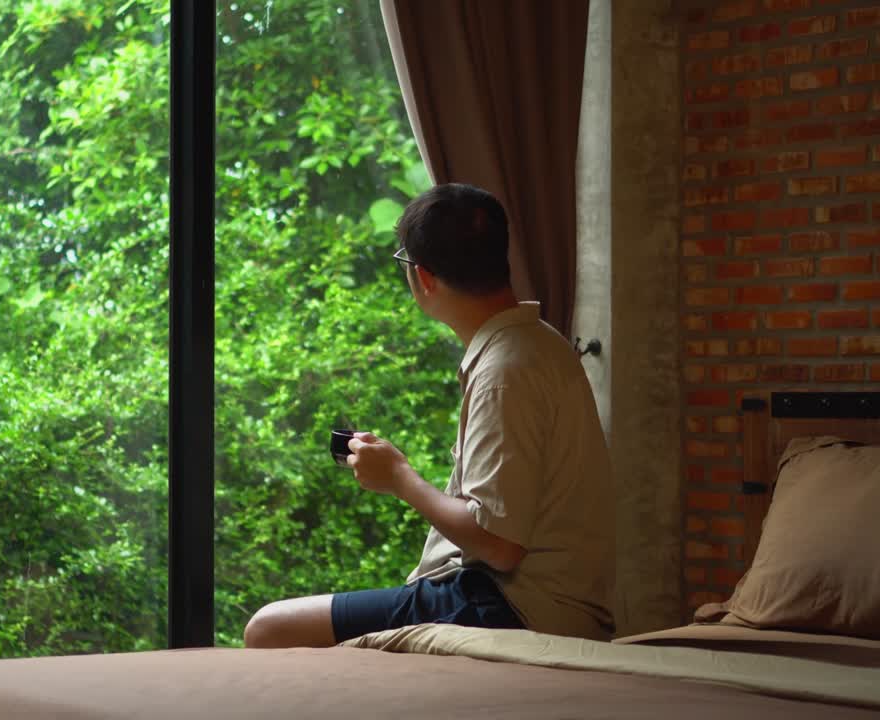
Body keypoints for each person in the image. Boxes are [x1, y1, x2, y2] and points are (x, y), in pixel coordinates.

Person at [243, 183, 614, 648]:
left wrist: (399, 477)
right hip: (539, 601)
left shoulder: (504, 372)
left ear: (423, 277)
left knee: (268, 629)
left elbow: (499, 545)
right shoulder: (539, 343)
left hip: (514, 608)